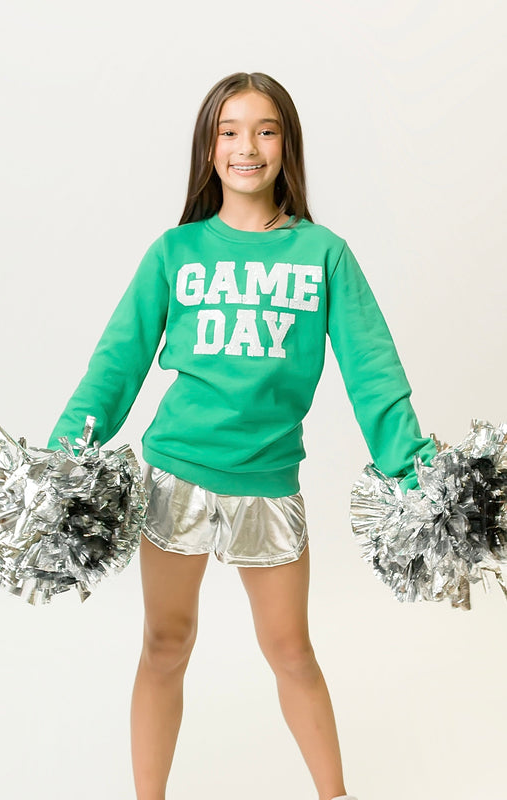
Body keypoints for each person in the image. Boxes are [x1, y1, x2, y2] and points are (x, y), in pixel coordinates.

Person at [47, 71, 437, 800]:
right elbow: (116, 362)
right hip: (174, 476)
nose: (245, 147)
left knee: (291, 651)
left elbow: (373, 373)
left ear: (286, 145)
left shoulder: (322, 254)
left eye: (264, 130)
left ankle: (335, 795)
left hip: (267, 481)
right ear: (208, 148)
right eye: (228, 131)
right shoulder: (175, 252)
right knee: (165, 645)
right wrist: (60, 458)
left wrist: (416, 475)